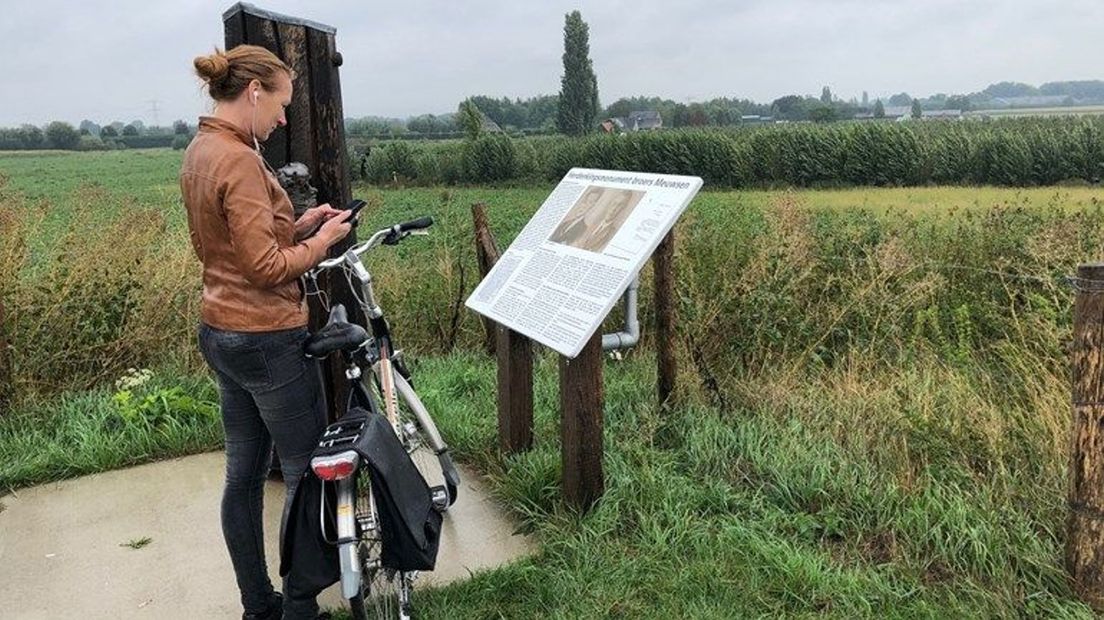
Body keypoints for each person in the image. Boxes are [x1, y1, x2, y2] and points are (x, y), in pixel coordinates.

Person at [180, 45, 351, 620]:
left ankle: (259, 605)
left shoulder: (202, 150)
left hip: (221, 330)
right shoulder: (240, 161)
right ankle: (302, 607)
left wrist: (301, 223)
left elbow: (235, 247)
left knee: (244, 475)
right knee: (306, 472)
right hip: (267, 339)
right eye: (280, 104)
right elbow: (266, 269)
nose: (282, 119)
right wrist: (322, 244)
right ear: (254, 92)